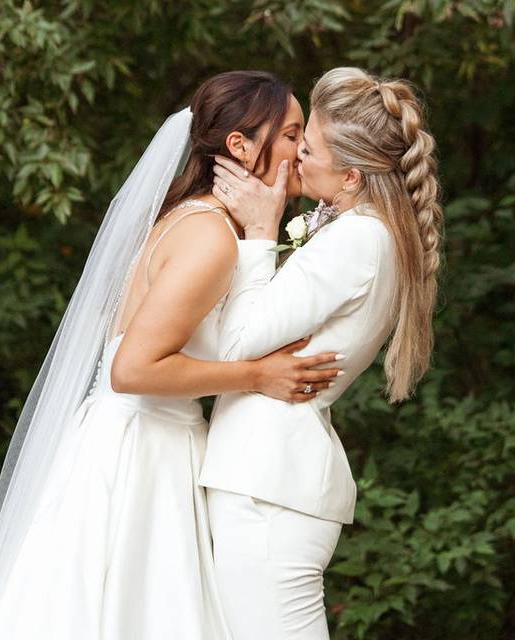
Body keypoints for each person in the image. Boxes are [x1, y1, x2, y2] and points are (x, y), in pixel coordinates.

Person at [0, 71, 343, 640]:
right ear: (240, 146)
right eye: (290, 135)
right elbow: (132, 369)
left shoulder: (190, 220)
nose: (301, 149)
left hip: (143, 441)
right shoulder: (209, 236)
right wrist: (257, 375)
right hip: (142, 454)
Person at [200, 66, 444, 640]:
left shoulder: (359, 239)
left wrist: (263, 234)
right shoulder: (363, 232)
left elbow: (236, 343)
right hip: (269, 478)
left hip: (269, 485)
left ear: (353, 177)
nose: (294, 159)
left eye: (306, 149)